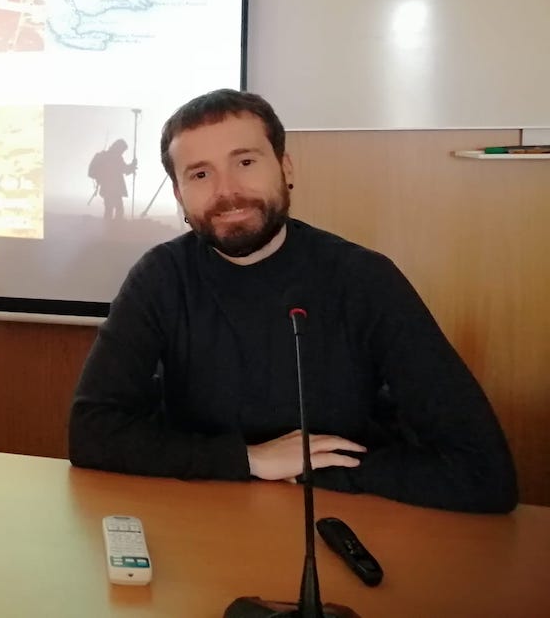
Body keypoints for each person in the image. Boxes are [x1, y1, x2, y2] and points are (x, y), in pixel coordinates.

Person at [69, 89, 517, 513]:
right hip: (203, 517)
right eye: (200, 174)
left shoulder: (364, 279)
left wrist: (316, 471)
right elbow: (91, 432)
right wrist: (250, 460)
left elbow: (484, 472)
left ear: (286, 169)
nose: (227, 191)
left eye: (245, 162)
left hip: (337, 518)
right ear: (178, 195)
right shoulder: (160, 278)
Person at [88, 139, 137, 220]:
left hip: (106, 188)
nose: (122, 152)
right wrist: (132, 166)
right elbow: (124, 169)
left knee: (109, 209)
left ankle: (109, 225)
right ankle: (115, 226)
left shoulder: (107, 156)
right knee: (118, 209)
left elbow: (123, 169)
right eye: (122, 150)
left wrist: (132, 166)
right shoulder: (115, 157)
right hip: (114, 188)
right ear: (119, 148)